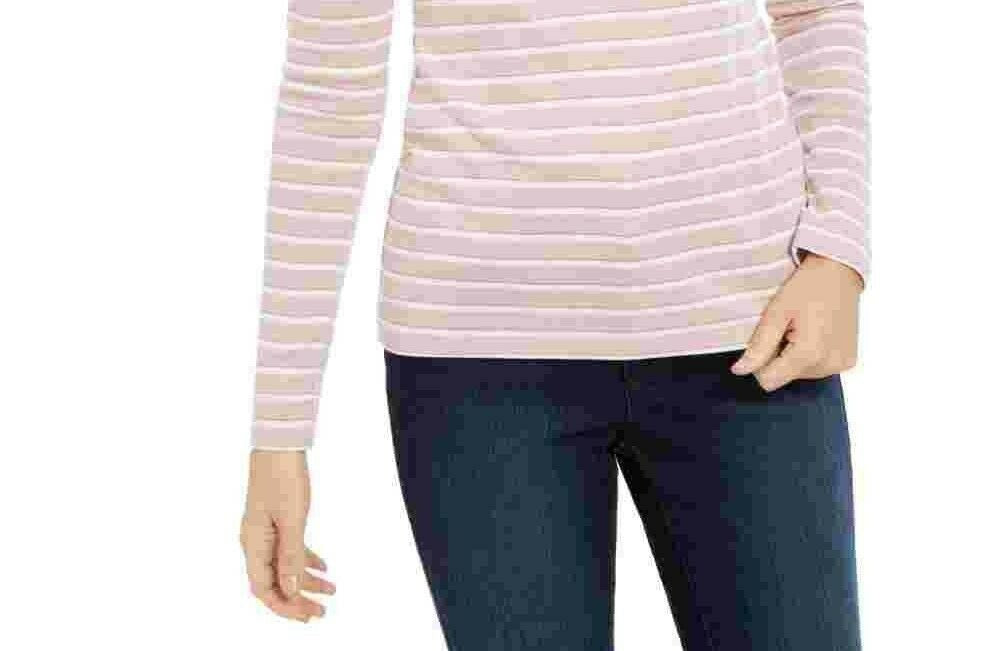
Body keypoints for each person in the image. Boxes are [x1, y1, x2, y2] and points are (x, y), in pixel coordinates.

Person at [240, 0, 869, 648]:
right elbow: (329, 93)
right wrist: (280, 431)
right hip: (480, 360)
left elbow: (815, 11)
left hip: (753, 332)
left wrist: (838, 253)